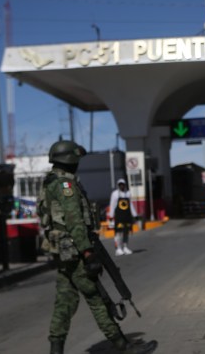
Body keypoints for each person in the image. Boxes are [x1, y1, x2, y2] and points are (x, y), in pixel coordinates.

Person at [37, 140, 156, 354]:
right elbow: (74, 221)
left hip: (63, 251)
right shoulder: (66, 185)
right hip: (75, 250)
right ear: (70, 160)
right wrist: (88, 252)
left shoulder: (50, 181)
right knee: (96, 298)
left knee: (65, 301)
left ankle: (56, 349)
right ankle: (122, 344)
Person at [108, 179, 137, 256]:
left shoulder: (128, 194)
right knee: (119, 233)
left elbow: (131, 205)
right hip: (119, 217)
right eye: (120, 184)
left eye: (123, 184)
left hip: (127, 217)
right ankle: (118, 249)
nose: (121, 186)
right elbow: (112, 205)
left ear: (125, 185)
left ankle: (125, 247)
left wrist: (135, 215)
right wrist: (111, 215)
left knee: (126, 232)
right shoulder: (115, 194)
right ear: (118, 185)